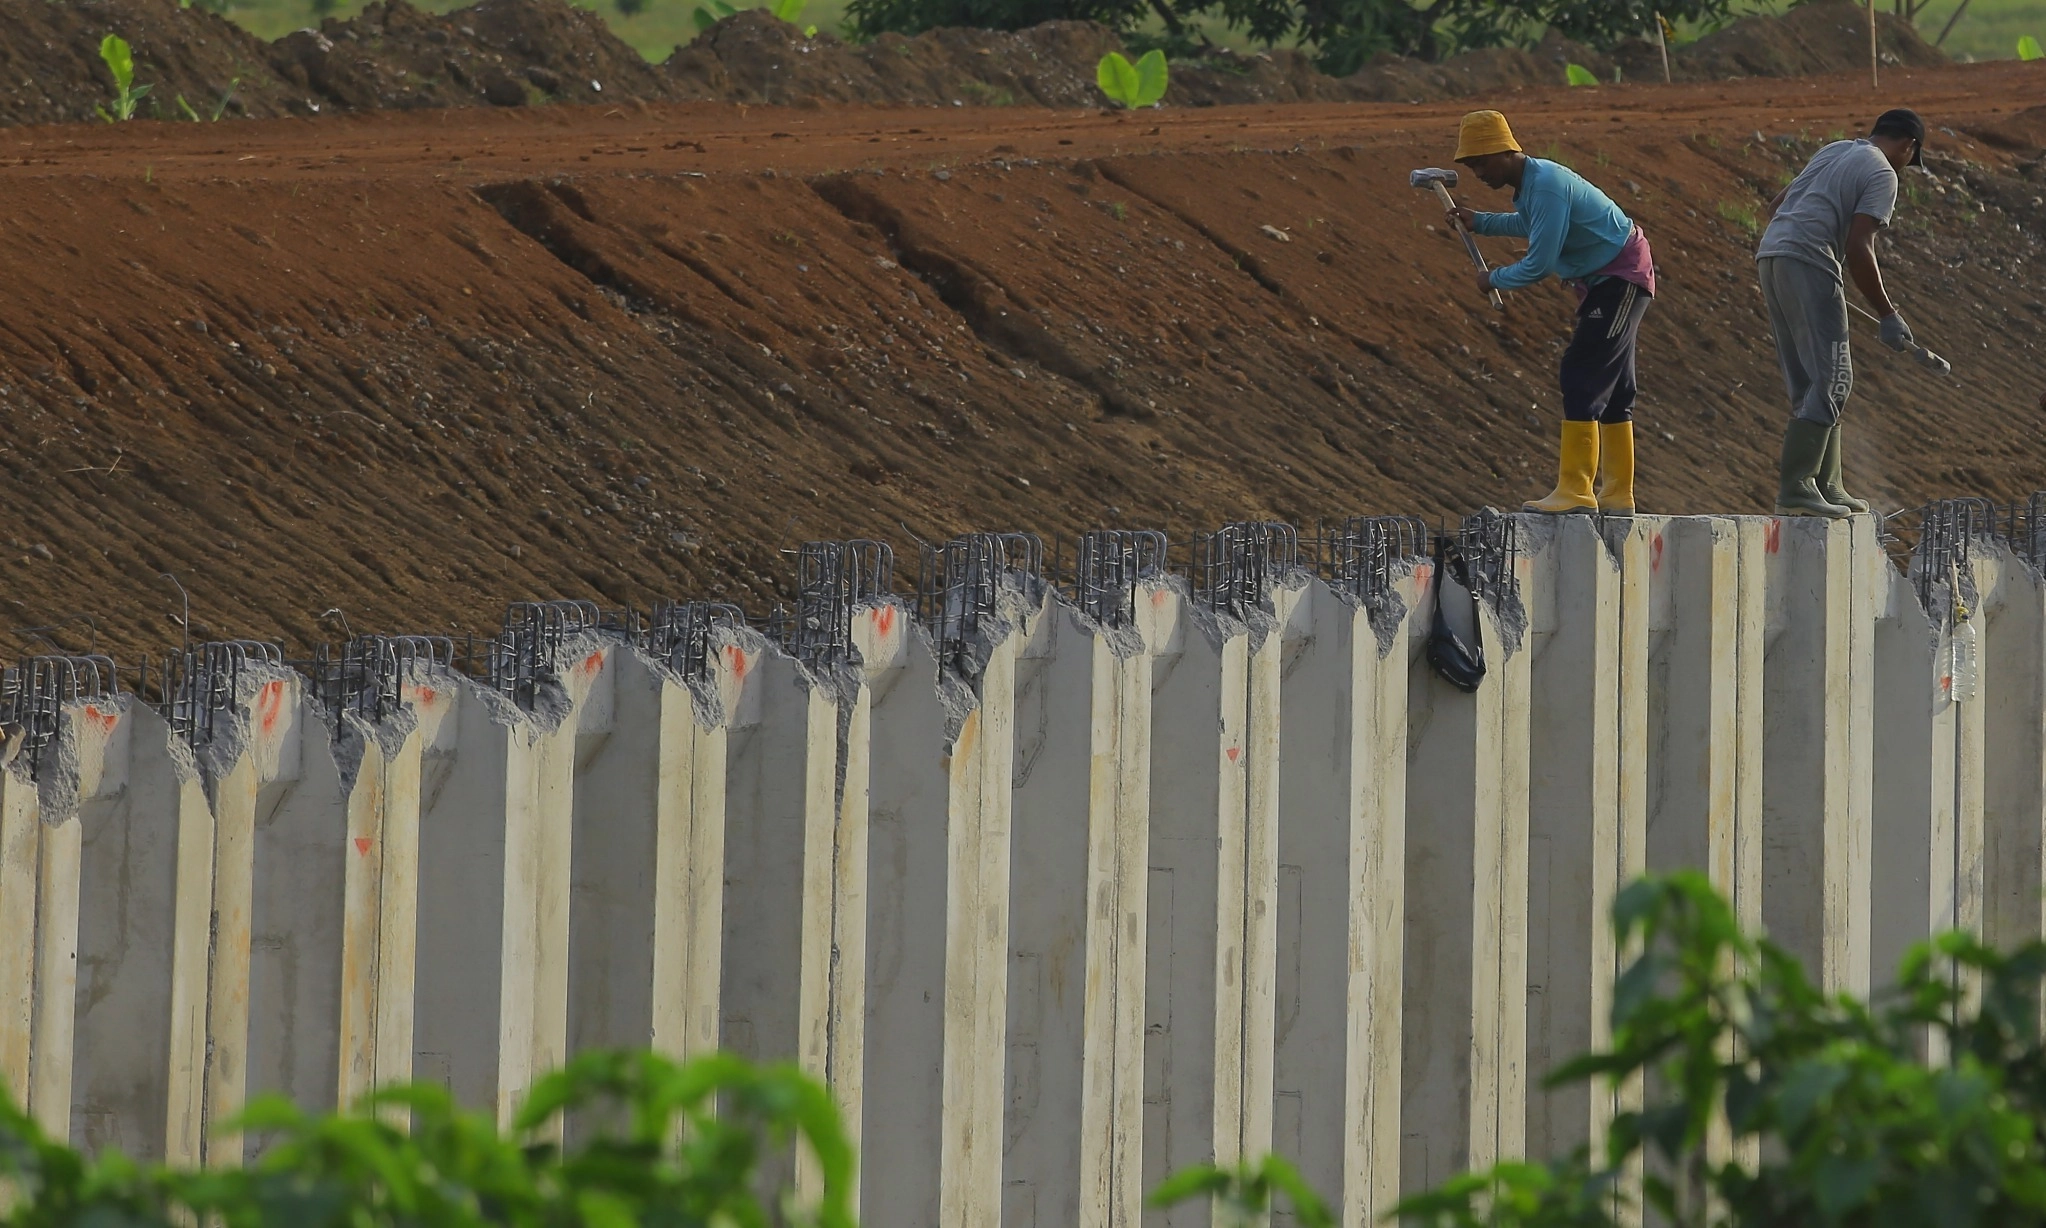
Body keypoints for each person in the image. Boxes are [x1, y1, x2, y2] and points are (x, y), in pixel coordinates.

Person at [1445, 109, 1657, 516]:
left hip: (1620, 278)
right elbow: (1535, 224)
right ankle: (1617, 494)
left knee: (1581, 373)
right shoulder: (1534, 183)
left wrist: (1494, 279)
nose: (1479, 173)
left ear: (1507, 151)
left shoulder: (1545, 186)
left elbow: (1540, 263)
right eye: (1472, 167)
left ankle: (1577, 489)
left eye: (1483, 163)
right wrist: (1482, 223)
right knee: (1614, 386)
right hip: (1609, 280)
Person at [1757, 108, 1926, 517]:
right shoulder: (1883, 172)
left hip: (1773, 255)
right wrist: (1887, 313)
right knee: (1834, 379)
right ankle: (1797, 487)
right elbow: (1858, 245)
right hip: (1809, 260)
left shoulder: (1834, 150)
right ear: (1908, 145)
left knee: (1810, 381)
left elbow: (1777, 206)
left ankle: (1826, 484)